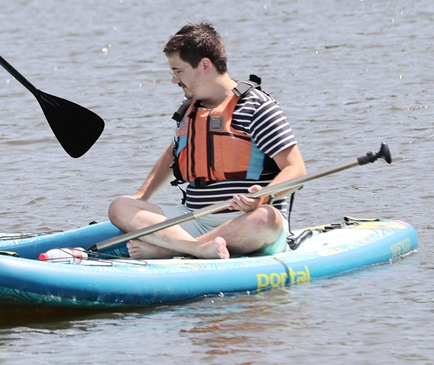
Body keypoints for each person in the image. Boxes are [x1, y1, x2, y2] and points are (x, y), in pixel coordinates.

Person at [108, 23, 306, 259]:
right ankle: (195, 248)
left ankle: (169, 249)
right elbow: (174, 153)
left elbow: (296, 169)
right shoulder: (190, 111)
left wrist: (262, 196)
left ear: (204, 65)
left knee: (267, 218)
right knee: (120, 207)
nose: (174, 80)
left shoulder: (257, 107)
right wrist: (142, 197)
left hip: (245, 221)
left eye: (178, 71)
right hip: (194, 218)